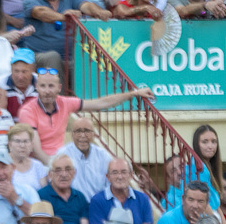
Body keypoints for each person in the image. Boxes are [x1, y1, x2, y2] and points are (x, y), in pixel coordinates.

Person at [19, 67, 154, 158]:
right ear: (36, 87)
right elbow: (37, 151)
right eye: (42, 86)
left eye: (51, 86)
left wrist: (134, 93)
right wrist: (55, 167)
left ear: (59, 88)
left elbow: (101, 103)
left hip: (60, 161)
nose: (47, 91)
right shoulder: (27, 111)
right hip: (39, 164)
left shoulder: (65, 102)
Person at [89, 158, 155, 224]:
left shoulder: (143, 199)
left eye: (124, 172)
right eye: (115, 172)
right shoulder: (98, 200)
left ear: (131, 175)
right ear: (108, 177)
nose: (119, 177)